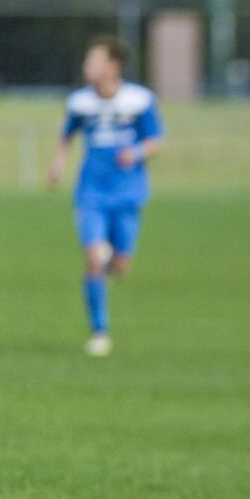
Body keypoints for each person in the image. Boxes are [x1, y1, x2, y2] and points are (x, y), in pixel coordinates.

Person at [48, 35, 164, 356]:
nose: (88, 66)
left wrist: (137, 152)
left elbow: (157, 140)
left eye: (94, 60)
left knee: (120, 267)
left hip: (128, 193)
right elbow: (66, 137)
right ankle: (100, 331)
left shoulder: (139, 100)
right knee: (94, 258)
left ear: (112, 66)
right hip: (91, 192)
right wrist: (57, 166)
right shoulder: (80, 103)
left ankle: (113, 256)